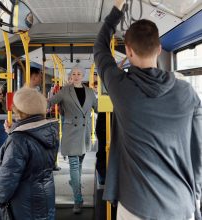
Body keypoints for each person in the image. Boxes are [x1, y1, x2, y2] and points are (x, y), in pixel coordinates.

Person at [94, 0, 202, 220]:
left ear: (128, 51)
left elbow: (100, 47)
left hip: (135, 205)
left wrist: (117, 10)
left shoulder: (121, 87)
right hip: (180, 204)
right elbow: (198, 149)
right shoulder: (187, 93)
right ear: (160, 49)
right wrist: (195, 193)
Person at [0, 87, 59, 220]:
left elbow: (8, 176)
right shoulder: (50, 132)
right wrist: (13, 132)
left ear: (20, 110)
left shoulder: (18, 140)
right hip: (45, 196)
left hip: (24, 204)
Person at [48, 65, 97, 214]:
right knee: (74, 165)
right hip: (71, 133)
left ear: (83, 76)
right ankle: (78, 199)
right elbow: (50, 102)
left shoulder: (90, 92)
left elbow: (99, 107)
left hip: (84, 132)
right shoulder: (65, 91)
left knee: (80, 164)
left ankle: (74, 183)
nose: (76, 76)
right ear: (71, 75)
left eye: (79, 73)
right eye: (74, 73)